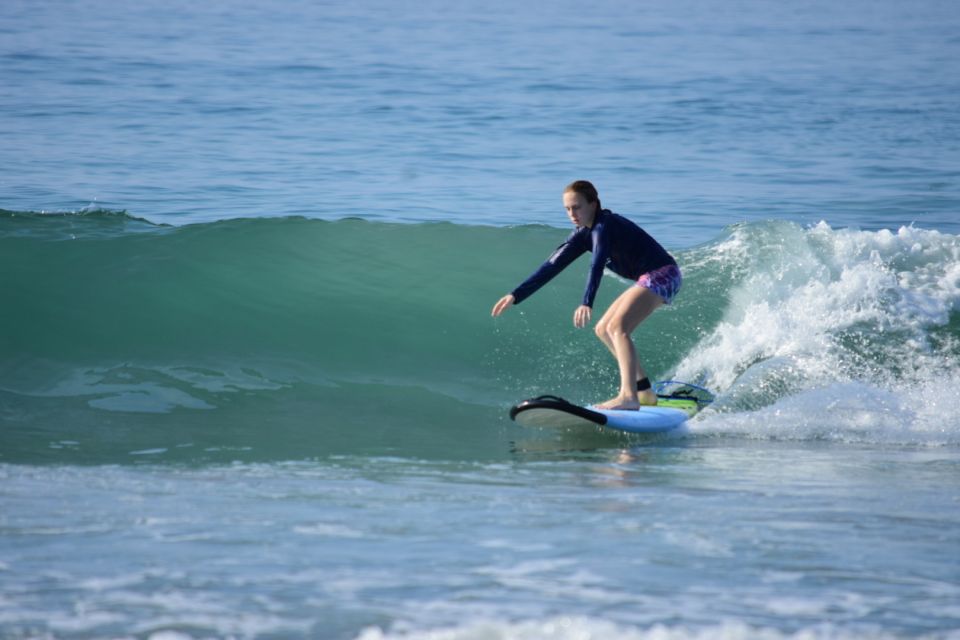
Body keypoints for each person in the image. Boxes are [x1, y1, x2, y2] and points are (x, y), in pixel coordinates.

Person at [491, 180, 681, 410]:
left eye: (577, 207)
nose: (572, 214)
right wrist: (516, 294)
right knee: (603, 330)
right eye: (567, 209)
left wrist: (586, 302)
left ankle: (628, 397)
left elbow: (597, 262)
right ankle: (645, 392)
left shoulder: (604, 225)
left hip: (663, 274)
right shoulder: (582, 234)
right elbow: (551, 266)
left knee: (618, 328)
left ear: (593, 203)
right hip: (648, 277)